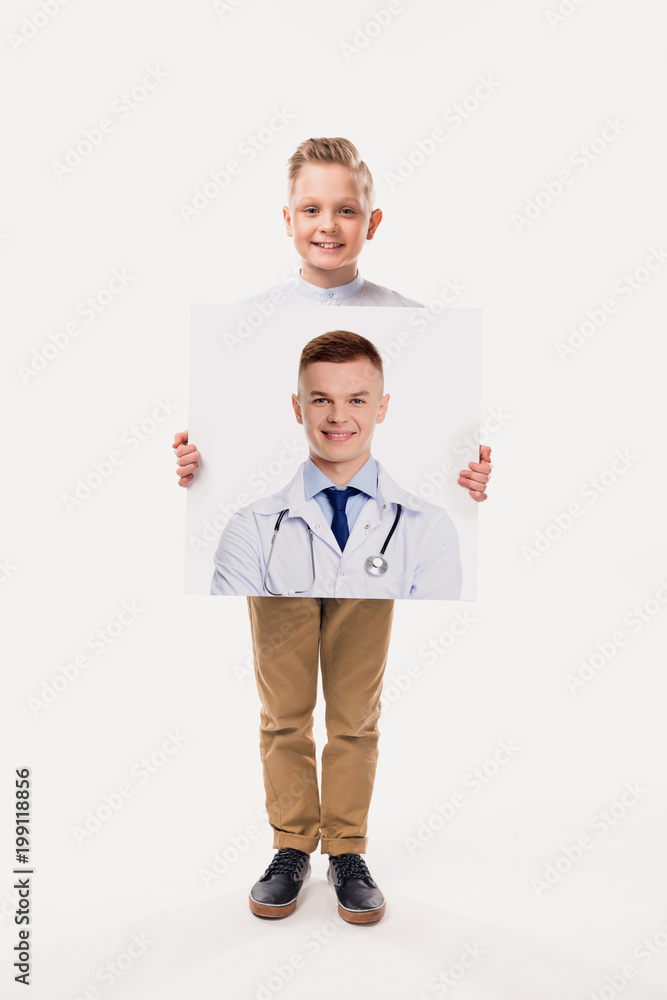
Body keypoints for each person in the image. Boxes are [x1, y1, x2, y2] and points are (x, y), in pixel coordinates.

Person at [173, 137, 492, 924]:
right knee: (283, 713)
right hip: (279, 563)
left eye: (345, 209)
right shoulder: (245, 324)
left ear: (371, 221)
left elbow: (457, 434)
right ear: (286, 219)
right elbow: (213, 433)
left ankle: (345, 849)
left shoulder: (413, 323)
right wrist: (197, 468)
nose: (327, 225)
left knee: (354, 716)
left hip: (370, 570)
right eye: (310, 209)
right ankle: (291, 844)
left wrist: (471, 479)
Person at [211, 330, 463, 601]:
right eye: (322, 400)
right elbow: (234, 624)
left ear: (381, 408)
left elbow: (428, 624)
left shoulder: (430, 528)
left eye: (356, 401)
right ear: (298, 408)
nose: (338, 417)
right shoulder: (250, 528)